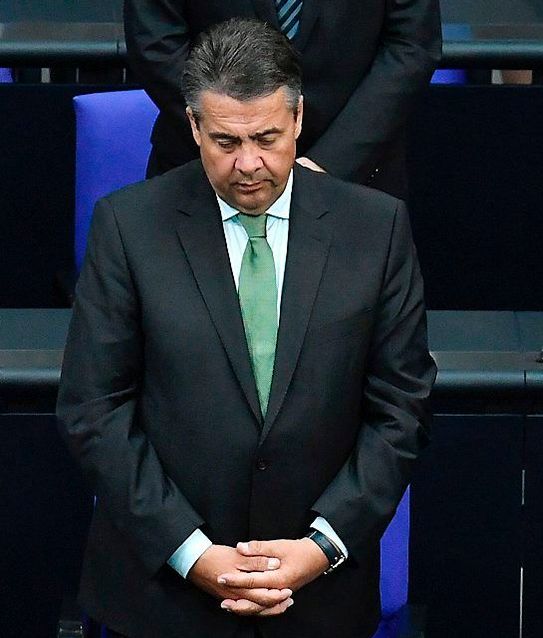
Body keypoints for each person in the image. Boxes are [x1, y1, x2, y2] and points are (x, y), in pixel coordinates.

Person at [57, 19, 436, 637]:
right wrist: (193, 553)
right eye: (226, 142)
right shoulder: (127, 227)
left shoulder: (376, 229)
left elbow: (403, 406)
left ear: (298, 121)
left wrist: (320, 546)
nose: (249, 165)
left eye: (266, 137)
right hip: (161, 604)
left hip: (319, 601)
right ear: (194, 128)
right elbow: (93, 409)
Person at [124, 0, 441, 199]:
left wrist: (330, 162)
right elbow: (155, 45)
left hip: (356, 174)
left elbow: (411, 45)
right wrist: (231, 137)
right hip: (207, 174)